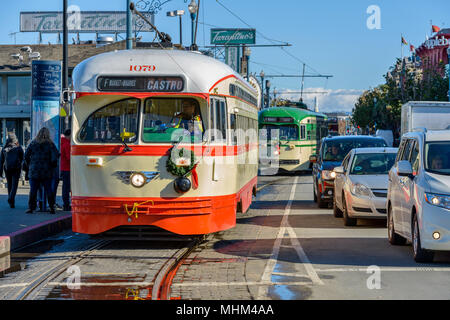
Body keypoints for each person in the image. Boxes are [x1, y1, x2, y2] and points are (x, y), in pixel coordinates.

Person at [24, 127, 59, 214]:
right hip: (46, 171)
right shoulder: (50, 144)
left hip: (34, 170)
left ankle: (31, 208)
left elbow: (26, 156)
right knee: (48, 190)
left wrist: (30, 164)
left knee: (33, 190)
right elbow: (56, 156)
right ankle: (52, 207)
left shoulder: (33, 143)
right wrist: (52, 166)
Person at [0, 133, 24, 208]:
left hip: (7, 169)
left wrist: (0, 172)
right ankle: (11, 198)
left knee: (9, 185)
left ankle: (11, 203)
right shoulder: (18, 147)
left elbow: (1, 161)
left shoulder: (4, 148)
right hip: (16, 168)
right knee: (14, 185)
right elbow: (23, 158)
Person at [60, 129, 71, 211]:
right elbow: (69, 157)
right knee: (66, 187)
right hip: (67, 168)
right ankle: (66, 204)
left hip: (64, 168)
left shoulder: (63, 142)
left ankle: (66, 204)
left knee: (65, 187)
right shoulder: (67, 144)